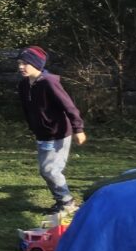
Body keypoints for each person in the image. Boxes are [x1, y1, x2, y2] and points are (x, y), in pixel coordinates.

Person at [15, 47, 87, 220]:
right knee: (47, 170)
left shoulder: (49, 82)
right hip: (42, 133)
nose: (21, 67)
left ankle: (67, 202)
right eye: (19, 63)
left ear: (36, 64)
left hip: (58, 132)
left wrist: (78, 129)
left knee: (50, 170)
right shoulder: (24, 85)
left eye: (25, 63)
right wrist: (33, 127)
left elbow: (69, 106)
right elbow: (27, 109)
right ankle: (61, 200)